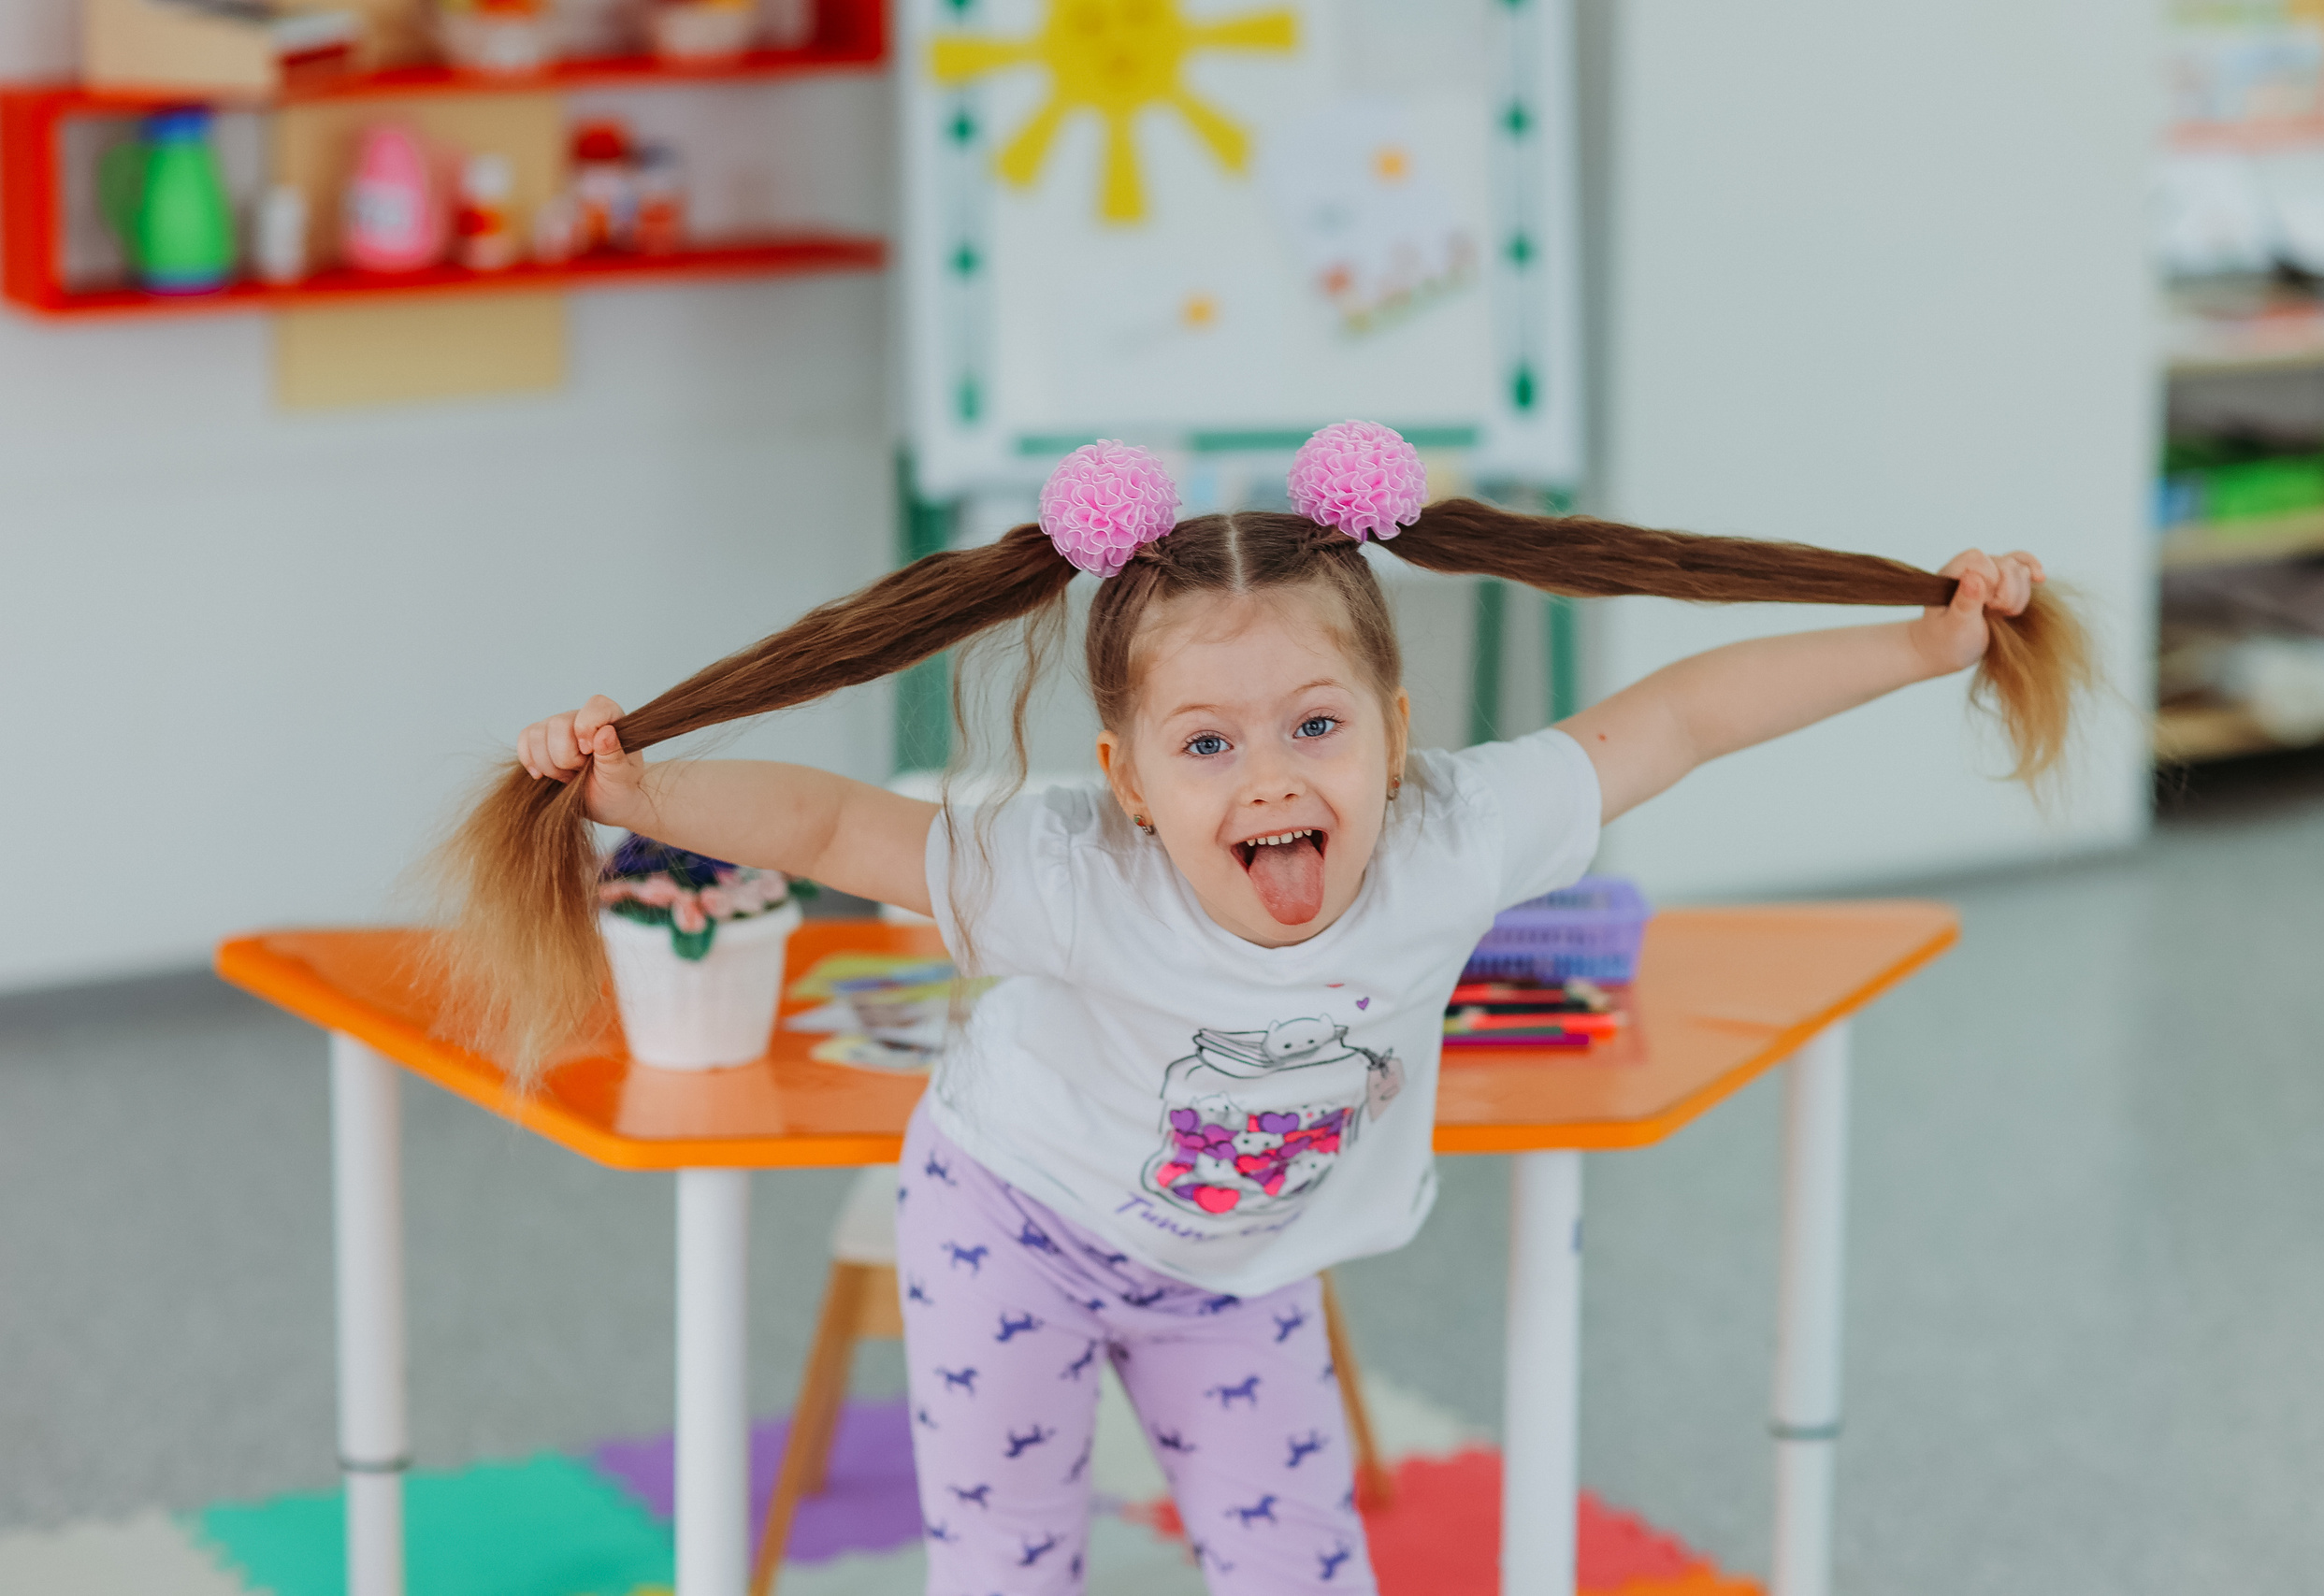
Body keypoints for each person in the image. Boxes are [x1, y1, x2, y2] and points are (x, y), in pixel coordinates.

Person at [463, 422, 2087, 1594]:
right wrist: (636, 790)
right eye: (1209, 747)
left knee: (1305, 1573)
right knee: (1008, 1575)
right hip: (1007, 1226)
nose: (1272, 781)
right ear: (1127, 779)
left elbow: (1681, 719)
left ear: (1393, 727)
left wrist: (1923, 641)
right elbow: (831, 832)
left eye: (1315, 727)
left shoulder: (1457, 835)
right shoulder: (1073, 873)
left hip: (1236, 1274)